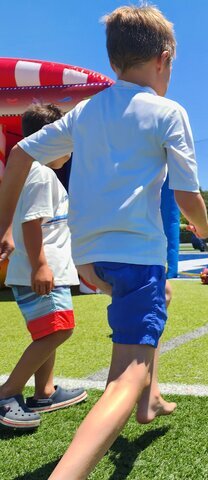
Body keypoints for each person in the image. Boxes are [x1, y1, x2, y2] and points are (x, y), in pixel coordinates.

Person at [0, 5, 208, 478]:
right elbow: (187, 194)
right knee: (124, 376)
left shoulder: (87, 111)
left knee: (163, 297)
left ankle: (150, 399)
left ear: (114, 60)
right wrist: (203, 227)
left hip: (89, 261)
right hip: (135, 256)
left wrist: (0, 230)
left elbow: (18, 154)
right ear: (164, 58)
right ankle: (69, 470)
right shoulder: (168, 111)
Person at [0, 104, 86, 430]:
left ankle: (44, 392)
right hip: (40, 273)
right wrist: (40, 266)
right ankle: (7, 393)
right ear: (48, 139)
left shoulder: (33, 172)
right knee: (60, 329)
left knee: (49, 330)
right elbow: (32, 222)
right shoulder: (40, 173)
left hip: (44, 271)